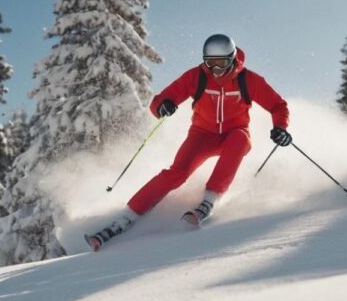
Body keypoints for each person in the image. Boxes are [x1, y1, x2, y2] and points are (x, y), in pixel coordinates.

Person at [86, 34, 293, 251]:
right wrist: (163, 106)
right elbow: (159, 101)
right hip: (202, 135)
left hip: (234, 133)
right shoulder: (197, 76)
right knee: (177, 173)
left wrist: (281, 128)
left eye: (221, 63)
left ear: (232, 59)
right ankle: (128, 216)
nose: (215, 69)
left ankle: (210, 199)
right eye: (210, 62)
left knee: (240, 139)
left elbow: (278, 106)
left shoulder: (248, 80)